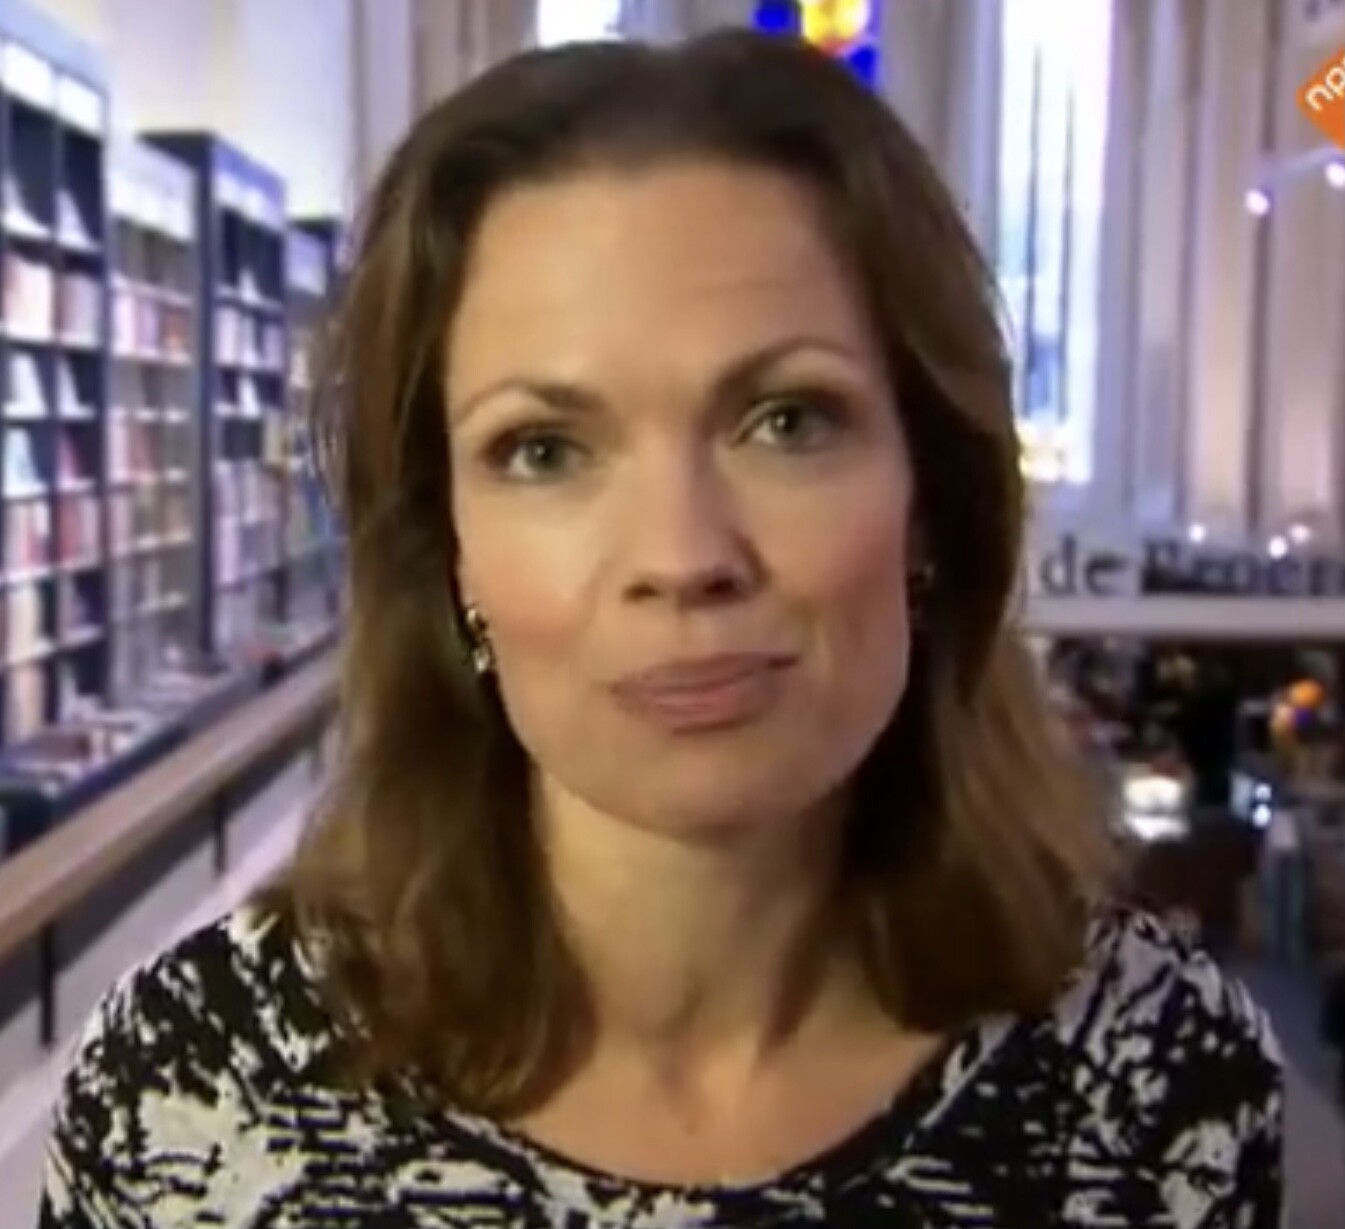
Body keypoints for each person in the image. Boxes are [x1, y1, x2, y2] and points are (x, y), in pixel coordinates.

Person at [37, 30, 1282, 1229]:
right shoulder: (189, 1103)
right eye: (544, 449)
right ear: (450, 549)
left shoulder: (1157, 1085)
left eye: (787, 421)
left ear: (929, 502)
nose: (683, 556)